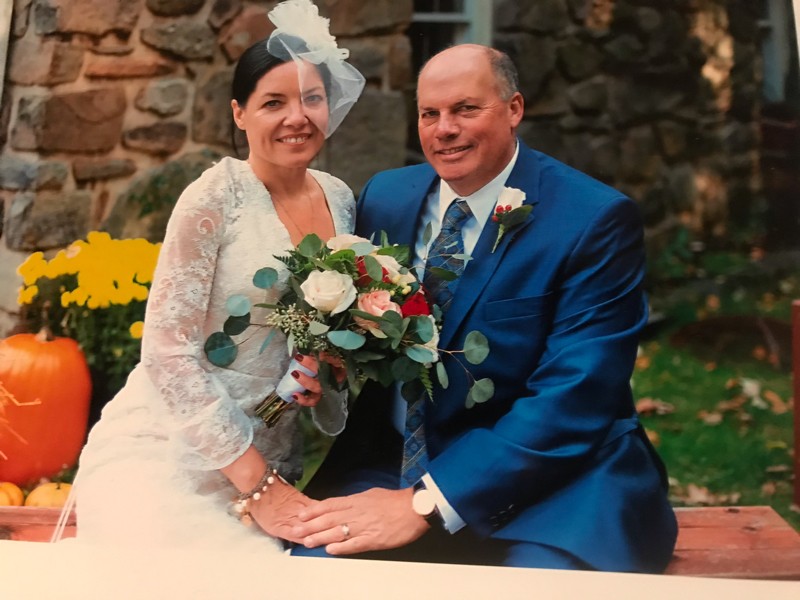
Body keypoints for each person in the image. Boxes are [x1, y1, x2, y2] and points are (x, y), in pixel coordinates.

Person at [291, 44, 678, 572]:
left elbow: (576, 394)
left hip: (559, 484)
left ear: (514, 109)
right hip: (396, 466)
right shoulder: (386, 198)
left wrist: (426, 503)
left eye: (466, 109)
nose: (444, 129)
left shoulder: (594, 219)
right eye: (429, 113)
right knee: (304, 574)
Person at [69, 0, 364, 552]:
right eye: (273, 102)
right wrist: (260, 488)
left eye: (312, 99)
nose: (297, 117)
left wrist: (325, 368)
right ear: (239, 113)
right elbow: (166, 354)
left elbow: (321, 335)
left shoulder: (340, 198)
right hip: (169, 459)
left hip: (274, 454)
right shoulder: (214, 196)